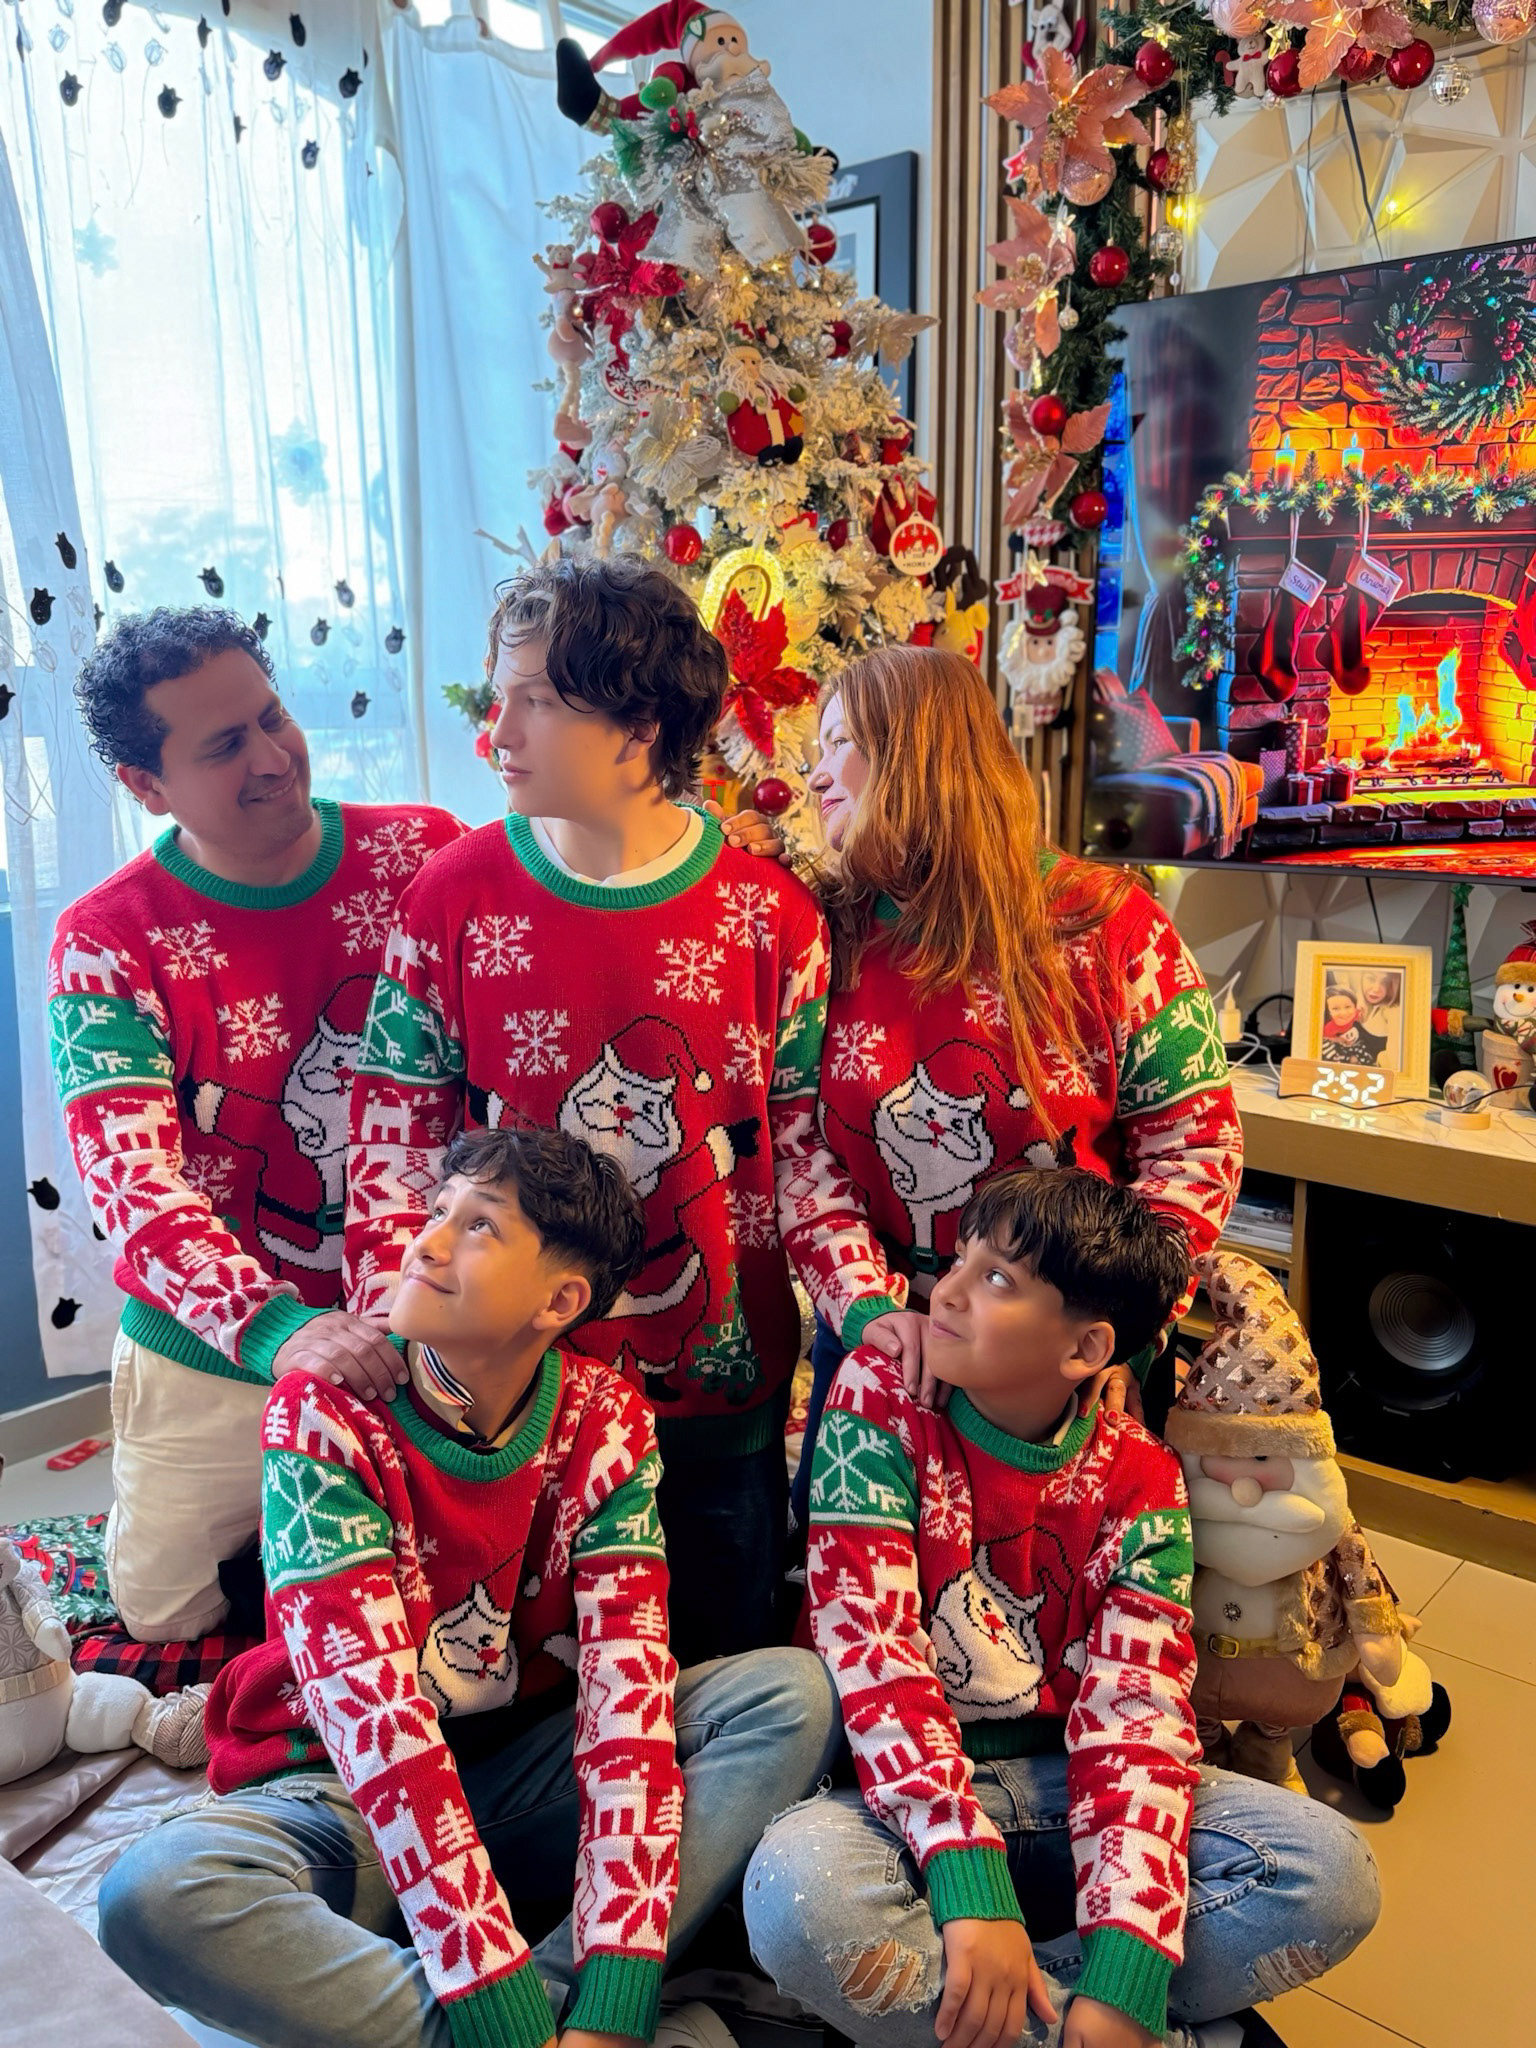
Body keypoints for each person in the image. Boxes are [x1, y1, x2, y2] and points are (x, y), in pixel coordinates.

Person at [99, 1123, 841, 2048]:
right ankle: (538, 2028)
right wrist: (500, 2013)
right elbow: (376, 1729)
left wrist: (610, 1996)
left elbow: (624, 1706)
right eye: (438, 1211)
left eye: (479, 1225)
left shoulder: (605, 1419)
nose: (426, 1242)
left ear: (560, 1300)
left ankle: (574, 2005)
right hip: (343, 1792)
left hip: (520, 1775)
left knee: (791, 1694)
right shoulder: (324, 1409)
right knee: (153, 1892)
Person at [327, 557, 908, 1665]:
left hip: (714, 1405)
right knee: (525, 1684)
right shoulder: (450, 898)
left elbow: (802, 1157)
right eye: (499, 696)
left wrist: (865, 1306)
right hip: (505, 1401)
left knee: (730, 1679)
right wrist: (399, 1326)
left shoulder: (771, 918)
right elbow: (392, 1144)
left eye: (537, 700)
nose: (498, 732)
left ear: (640, 727)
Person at [744, 1167, 1381, 2048]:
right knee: (793, 1891)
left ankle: (1036, 2005)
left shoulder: (1144, 1478)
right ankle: (1118, 2024)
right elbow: (877, 1662)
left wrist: (1126, 1967)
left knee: (1332, 1875)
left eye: (995, 1278)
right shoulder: (877, 1397)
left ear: (1086, 1349)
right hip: (898, 1807)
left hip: (1067, 1788)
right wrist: (970, 1887)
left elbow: (1136, 1721)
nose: (945, 1292)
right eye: (958, 1261)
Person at [49, 607, 463, 1642]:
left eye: (273, 718)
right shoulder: (104, 939)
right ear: (146, 786)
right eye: (225, 745)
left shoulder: (424, 852)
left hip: (424, 1314)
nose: (274, 758)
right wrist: (281, 1332)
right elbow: (131, 1184)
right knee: (165, 1621)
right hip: (215, 1347)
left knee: (448, 1599)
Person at [770, 645, 1242, 1530]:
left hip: (1063, 1359)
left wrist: (1118, 1325)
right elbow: (799, 1152)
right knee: (854, 1586)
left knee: (1063, 1587)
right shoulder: (823, 934)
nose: (815, 775)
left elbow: (1194, 1149)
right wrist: (867, 1310)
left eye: (838, 745)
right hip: (887, 1345)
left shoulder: (1106, 925)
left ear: (916, 752)